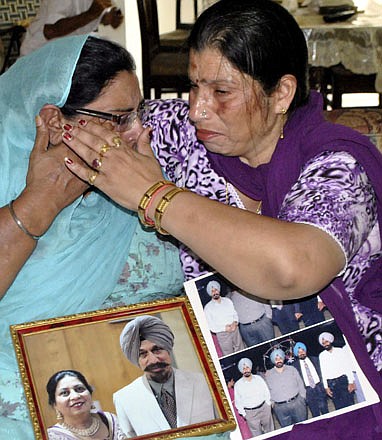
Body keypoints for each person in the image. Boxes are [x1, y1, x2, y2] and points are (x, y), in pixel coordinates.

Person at [61, 0, 382, 437]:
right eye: (193, 86)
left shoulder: (337, 163)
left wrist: (155, 197)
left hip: (343, 369)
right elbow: (81, 127)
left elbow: (293, 267)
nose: (197, 108)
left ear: (282, 93)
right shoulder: (175, 135)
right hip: (218, 369)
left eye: (222, 93)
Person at [0, 34, 184, 439]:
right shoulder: (5, 173)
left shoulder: (142, 174)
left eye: (139, 112)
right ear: (54, 121)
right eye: (119, 118)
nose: (138, 133)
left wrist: (157, 197)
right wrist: (36, 206)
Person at [113, 315, 216, 437]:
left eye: (157, 350)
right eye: (143, 354)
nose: (153, 360)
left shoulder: (203, 382)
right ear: (137, 360)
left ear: (168, 350)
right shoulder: (124, 399)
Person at [20, 0, 123, 56]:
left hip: (62, 57)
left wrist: (110, 17)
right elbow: (50, 31)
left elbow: (99, 16)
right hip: (38, 55)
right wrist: (90, 14)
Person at [46, 370, 126, 440]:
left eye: (80, 389)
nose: (75, 396)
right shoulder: (53, 436)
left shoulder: (110, 420)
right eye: (65, 393)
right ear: (54, 404)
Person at [265, 348, 307, 428]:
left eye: (280, 358)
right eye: (276, 359)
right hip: (280, 408)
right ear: (273, 361)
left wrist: (302, 397)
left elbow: (300, 383)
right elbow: (267, 391)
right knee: (288, 431)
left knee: (303, 428)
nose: (278, 360)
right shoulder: (268, 374)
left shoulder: (292, 369)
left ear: (283, 358)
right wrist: (273, 404)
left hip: (297, 403)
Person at [234, 358, 274, 437]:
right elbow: (238, 402)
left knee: (270, 431)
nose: (246, 370)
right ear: (241, 370)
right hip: (250, 414)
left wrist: (268, 404)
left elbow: (266, 392)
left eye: (247, 367)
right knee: (257, 435)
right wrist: (244, 414)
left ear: (251, 368)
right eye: (243, 368)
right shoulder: (238, 385)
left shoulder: (258, 379)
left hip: (264, 409)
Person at [203, 280, 245, 355]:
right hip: (222, 334)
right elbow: (210, 326)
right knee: (228, 353)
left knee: (241, 349)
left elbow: (234, 313)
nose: (215, 292)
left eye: (216, 290)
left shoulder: (227, 301)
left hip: (235, 329)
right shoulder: (208, 308)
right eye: (212, 291)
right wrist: (224, 328)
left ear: (218, 290)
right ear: (210, 293)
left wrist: (235, 323)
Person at [318, 332, 356, 410]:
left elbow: (347, 367)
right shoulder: (322, 356)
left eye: (327, 342)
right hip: (332, 384)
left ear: (330, 341)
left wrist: (351, 382)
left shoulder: (340, 351)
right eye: (323, 343)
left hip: (343, 381)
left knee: (351, 405)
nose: (326, 344)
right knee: (339, 407)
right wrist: (326, 387)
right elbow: (323, 372)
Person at [292, 342, 329, 418]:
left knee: (325, 410)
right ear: (296, 354)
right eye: (299, 352)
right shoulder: (294, 366)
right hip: (308, 391)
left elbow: (323, 372)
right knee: (315, 413)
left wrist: (324, 386)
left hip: (319, 387)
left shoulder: (315, 359)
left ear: (305, 350)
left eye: (303, 350)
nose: (301, 353)